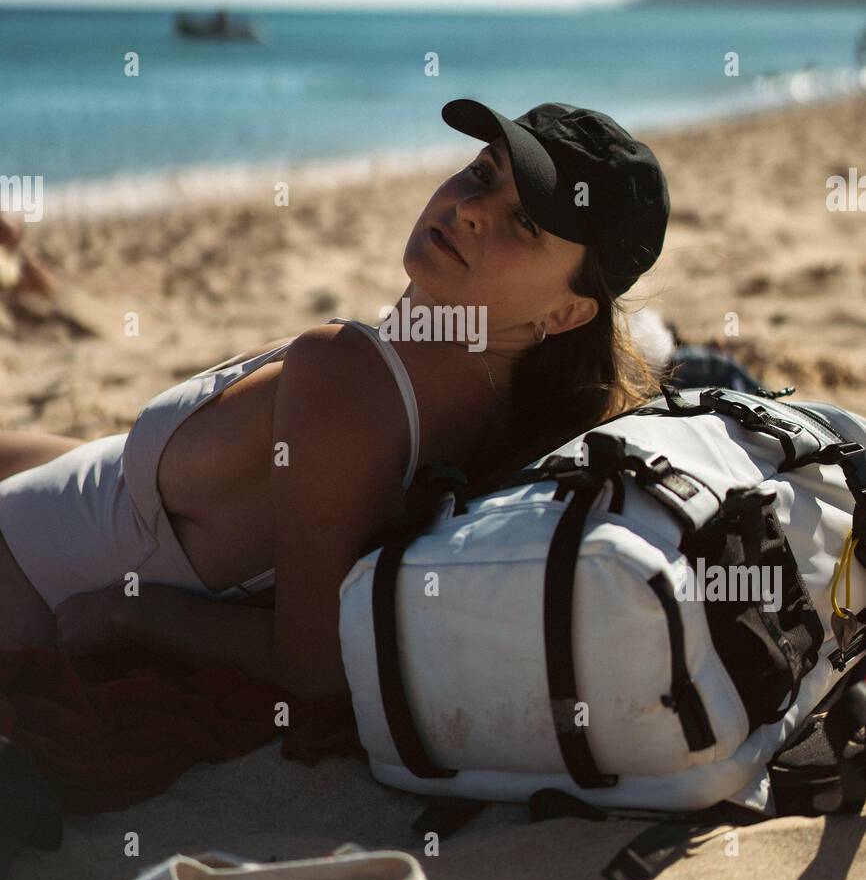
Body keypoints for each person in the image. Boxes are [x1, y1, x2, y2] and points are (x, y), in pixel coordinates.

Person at [0, 100, 669, 700]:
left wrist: (135, 615)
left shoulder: (348, 374)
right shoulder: (518, 411)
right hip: (79, 487)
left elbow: (315, 667)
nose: (470, 207)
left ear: (570, 311)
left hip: (28, 575)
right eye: (483, 173)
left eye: (522, 221)